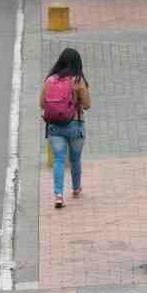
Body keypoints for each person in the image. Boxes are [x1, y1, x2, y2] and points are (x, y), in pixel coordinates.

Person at [40, 47, 91, 209]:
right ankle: (76, 189)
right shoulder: (77, 80)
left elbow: (42, 104)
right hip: (75, 124)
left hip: (54, 126)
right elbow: (88, 105)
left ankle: (58, 195)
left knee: (59, 160)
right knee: (75, 159)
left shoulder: (50, 80)